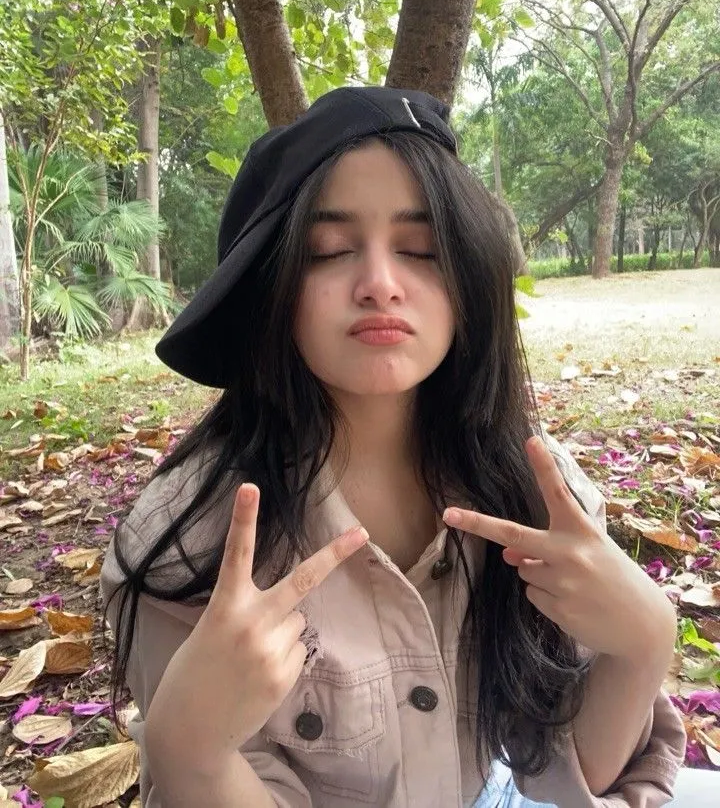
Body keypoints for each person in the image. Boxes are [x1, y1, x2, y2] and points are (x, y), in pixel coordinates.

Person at [101, 86, 704, 808]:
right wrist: (189, 750)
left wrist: (643, 640)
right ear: (271, 288)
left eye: (421, 250)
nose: (381, 284)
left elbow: (567, 779)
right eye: (328, 251)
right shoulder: (185, 545)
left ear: (468, 282)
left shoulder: (536, 494)